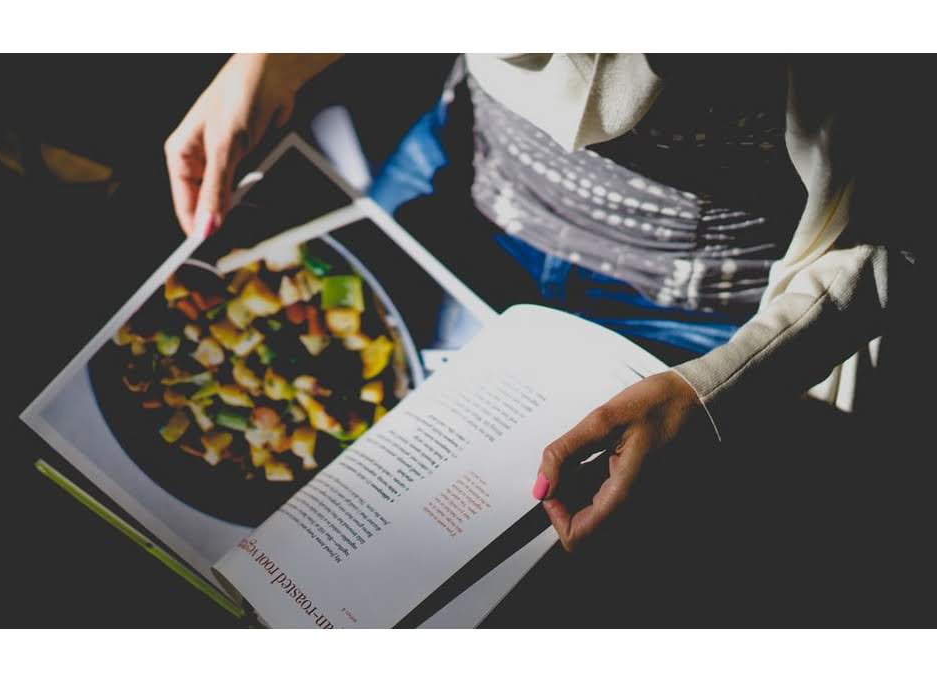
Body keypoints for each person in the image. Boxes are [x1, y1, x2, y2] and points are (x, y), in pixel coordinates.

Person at [164, 53, 915, 557]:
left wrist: (711, 389)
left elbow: (897, 229)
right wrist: (272, 58)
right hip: (463, 179)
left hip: (700, 310)